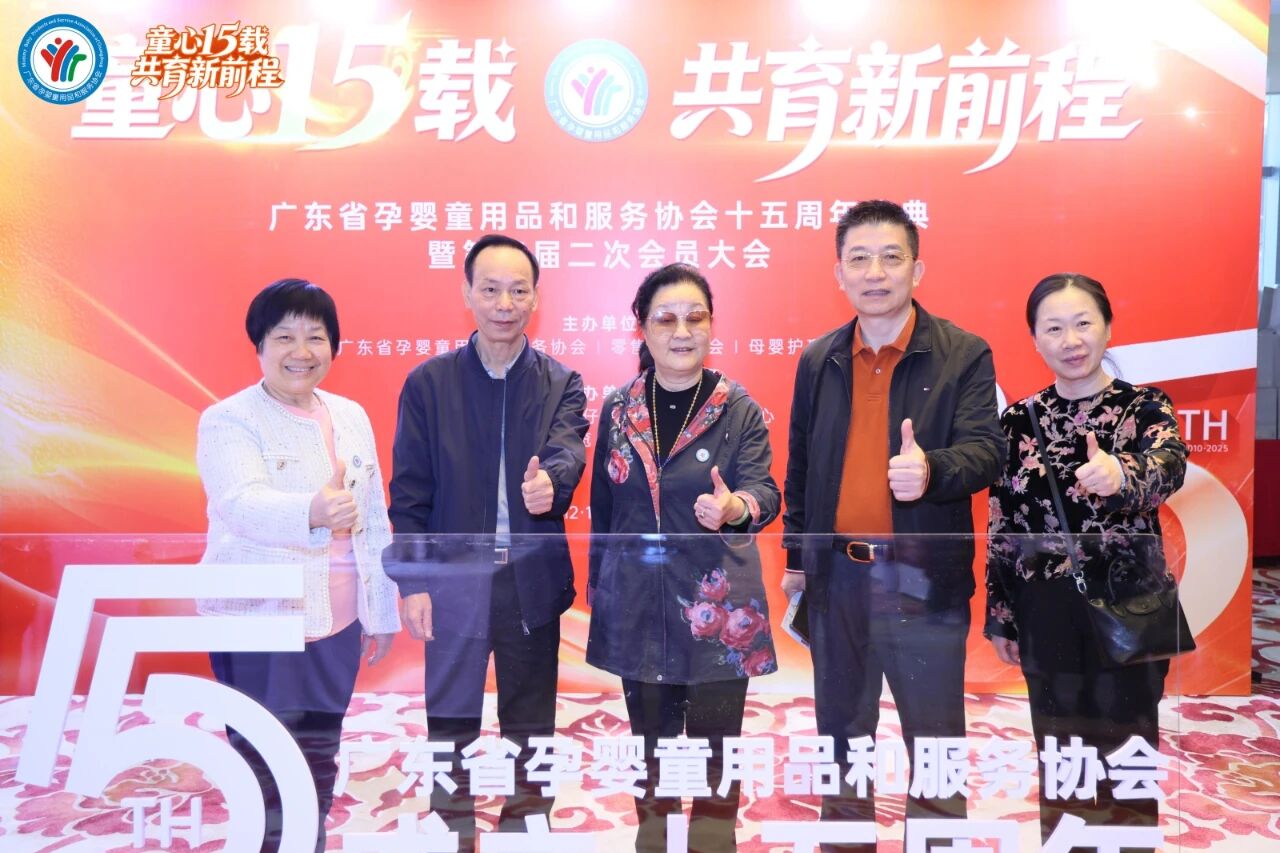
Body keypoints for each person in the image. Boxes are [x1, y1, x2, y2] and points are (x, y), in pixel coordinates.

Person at [781, 199, 1005, 849]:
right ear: (839, 273)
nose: (874, 273)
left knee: (934, 736)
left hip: (921, 578)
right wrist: (796, 558)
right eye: (859, 259)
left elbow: (987, 450)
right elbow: (800, 465)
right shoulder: (818, 358)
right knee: (841, 735)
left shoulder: (963, 353)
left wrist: (932, 469)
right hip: (838, 578)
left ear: (917, 268)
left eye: (890, 257)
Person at [388, 234, 588, 850]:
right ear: (467, 293)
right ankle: (452, 830)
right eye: (491, 289)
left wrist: (552, 482)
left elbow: (568, 448)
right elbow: (410, 492)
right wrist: (414, 581)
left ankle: (525, 829)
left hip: (528, 580)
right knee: (450, 719)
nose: (505, 303)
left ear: (536, 298)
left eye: (518, 290)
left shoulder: (561, 381)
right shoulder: (429, 383)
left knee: (531, 722)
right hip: (453, 581)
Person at [196, 278, 400, 853]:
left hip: (337, 621)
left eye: (316, 337)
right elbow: (239, 501)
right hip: (262, 619)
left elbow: (374, 516)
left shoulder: (350, 415)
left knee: (318, 750)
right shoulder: (229, 419)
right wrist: (311, 510)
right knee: (265, 758)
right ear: (259, 345)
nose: (301, 351)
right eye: (284, 336)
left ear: (334, 346)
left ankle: (308, 841)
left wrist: (380, 611)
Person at [985, 273, 1188, 846]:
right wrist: (1002, 613)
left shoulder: (1144, 407)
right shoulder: (1017, 422)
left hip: (1130, 600)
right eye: (1053, 328)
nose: (1070, 340)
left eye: (1083, 323)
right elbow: (1003, 522)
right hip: (1046, 606)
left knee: (1128, 745)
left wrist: (1122, 473)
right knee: (1060, 745)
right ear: (1035, 339)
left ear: (1107, 327)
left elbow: (1169, 464)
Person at [587, 263, 781, 853]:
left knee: (717, 748)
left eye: (695, 317)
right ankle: (655, 838)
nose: (681, 331)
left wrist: (735, 506)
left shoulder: (737, 407)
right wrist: (601, 590)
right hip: (638, 603)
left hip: (720, 610)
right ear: (642, 328)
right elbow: (604, 509)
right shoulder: (619, 408)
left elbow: (765, 492)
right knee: (652, 748)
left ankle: (713, 841)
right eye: (665, 318)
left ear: (711, 325)